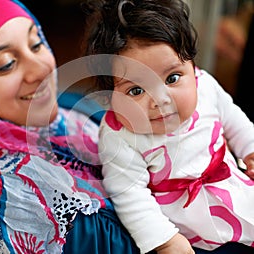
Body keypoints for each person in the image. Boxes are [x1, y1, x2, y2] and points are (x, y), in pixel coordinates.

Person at [0, 0, 141, 253]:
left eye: (36, 44)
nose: (41, 70)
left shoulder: (66, 109)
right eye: (7, 64)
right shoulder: (24, 197)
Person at [82, 0, 254, 253]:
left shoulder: (204, 86)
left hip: (236, 189)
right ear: (110, 100)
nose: (160, 99)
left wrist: (250, 150)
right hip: (188, 228)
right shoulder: (120, 136)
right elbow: (130, 195)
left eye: (172, 78)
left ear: (192, 67)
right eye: (136, 90)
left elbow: (234, 120)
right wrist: (165, 240)